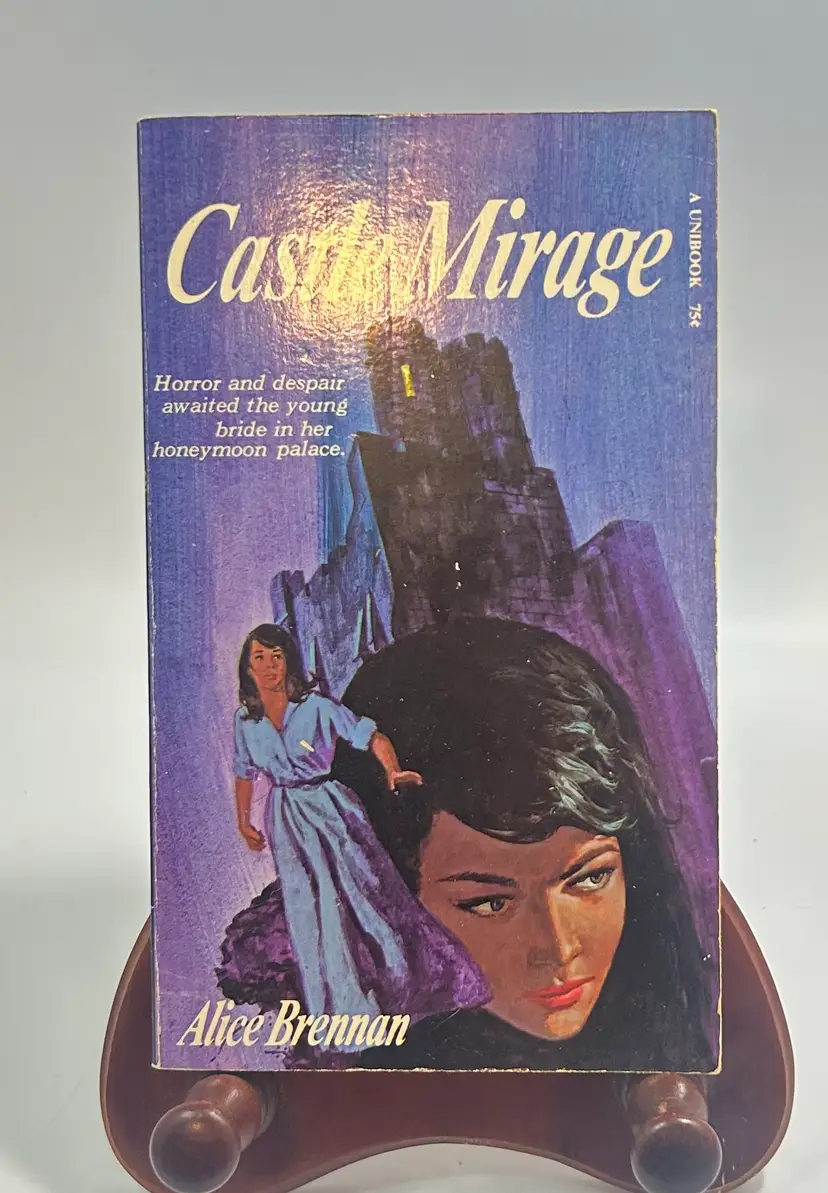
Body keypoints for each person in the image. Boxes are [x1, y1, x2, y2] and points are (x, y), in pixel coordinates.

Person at [332, 617, 717, 1071]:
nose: (557, 948)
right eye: (490, 903)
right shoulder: (369, 1064)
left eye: (590, 878)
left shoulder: (680, 1021)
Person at [217, 623, 490, 1025]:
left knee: (364, 895)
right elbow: (244, 773)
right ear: (248, 668)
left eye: (277, 656)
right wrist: (243, 822)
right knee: (307, 910)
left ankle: (403, 987)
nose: (271, 665)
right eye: (261, 657)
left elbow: (371, 736)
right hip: (287, 817)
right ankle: (337, 1013)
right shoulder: (245, 721)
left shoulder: (317, 707)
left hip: (330, 808)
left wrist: (393, 771)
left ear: (289, 662)